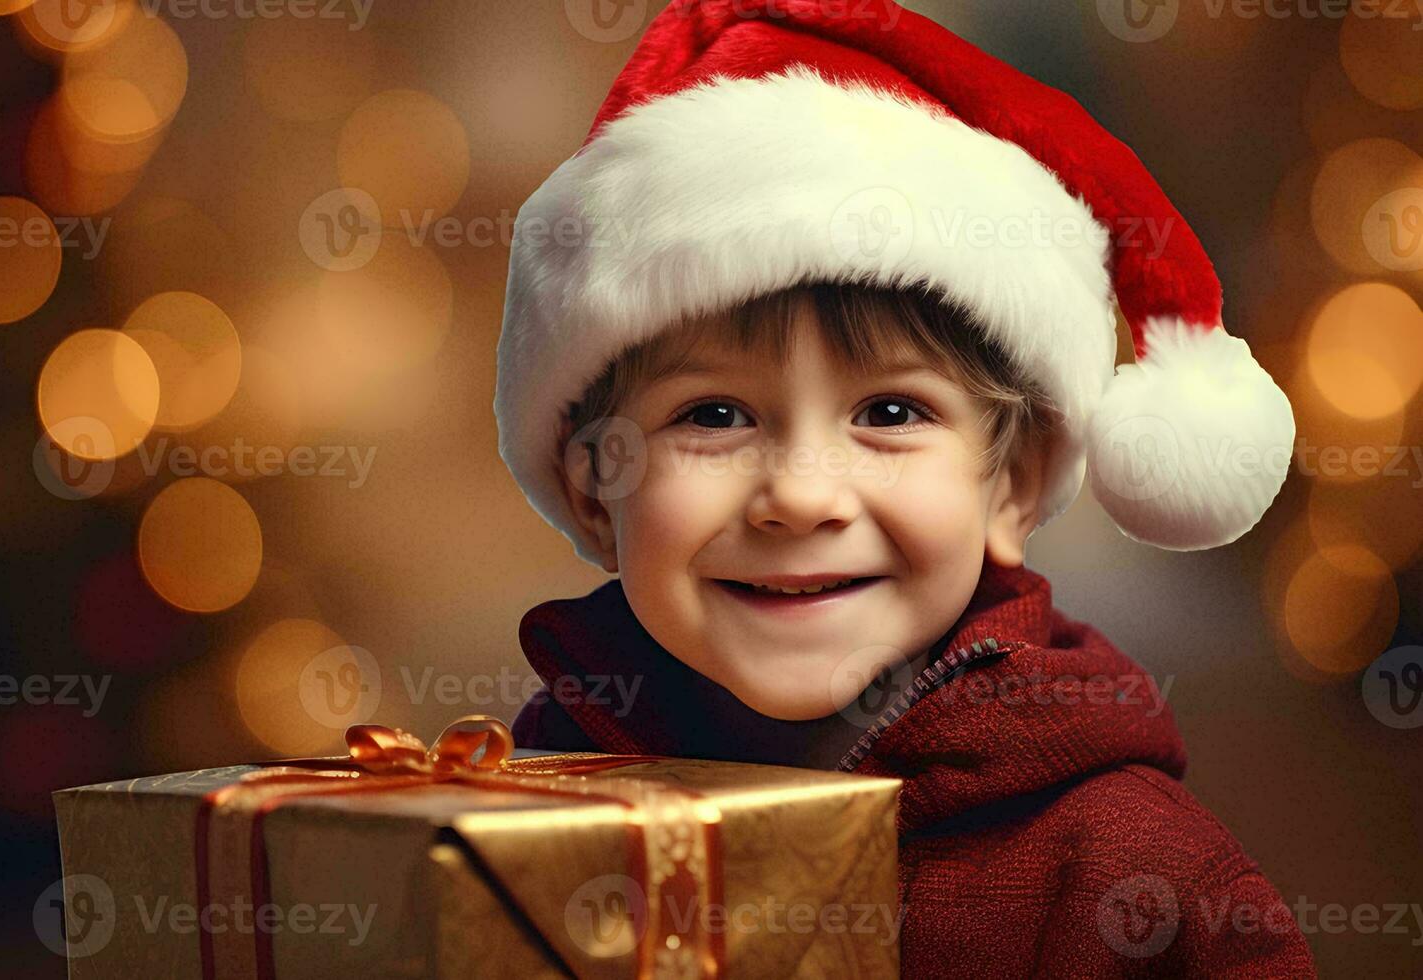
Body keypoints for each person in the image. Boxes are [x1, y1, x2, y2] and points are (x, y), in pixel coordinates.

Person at [491, 2, 1314, 976]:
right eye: (712, 416)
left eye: (889, 413)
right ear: (595, 492)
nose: (800, 495)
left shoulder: (1131, 873)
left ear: (1013, 482)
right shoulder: (518, 816)